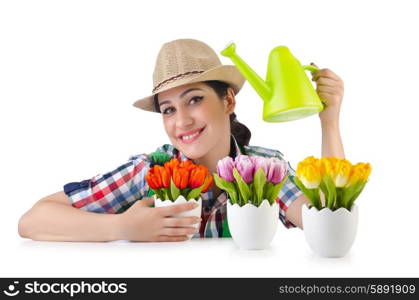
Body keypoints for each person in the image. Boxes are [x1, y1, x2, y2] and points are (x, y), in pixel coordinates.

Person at [18, 39, 345, 242]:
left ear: (228, 101)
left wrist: (329, 124)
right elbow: (33, 220)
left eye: (194, 100)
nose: (181, 122)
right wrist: (122, 229)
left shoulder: (265, 168)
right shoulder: (150, 173)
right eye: (168, 109)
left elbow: (328, 218)